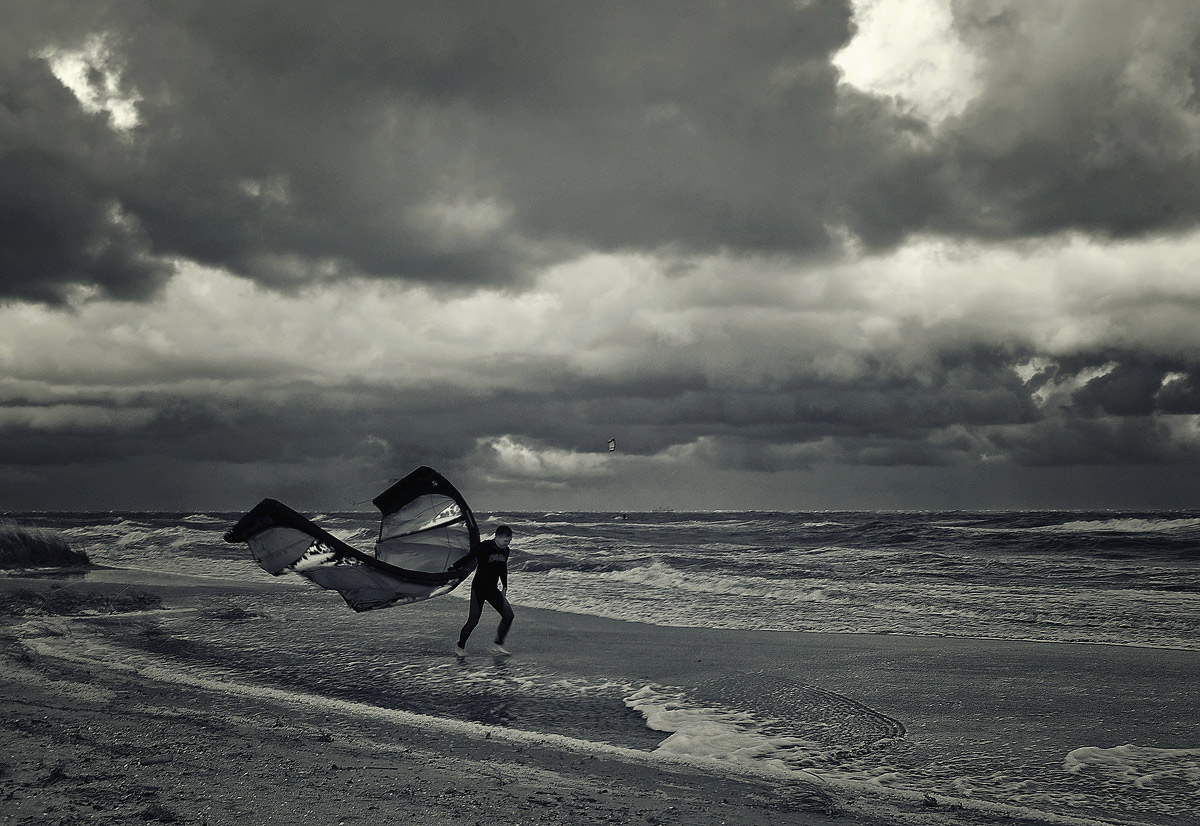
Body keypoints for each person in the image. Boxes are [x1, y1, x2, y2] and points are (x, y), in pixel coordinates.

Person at [456, 525, 515, 656]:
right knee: (473, 621)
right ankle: (460, 646)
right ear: (497, 537)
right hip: (479, 588)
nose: (507, 544)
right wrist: (453, 567)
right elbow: (469, 557)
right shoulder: (484, 546)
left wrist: (505, 586)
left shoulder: (506, 551)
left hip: (492, 589)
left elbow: (502, 568)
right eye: (506, 541)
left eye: (509, 541)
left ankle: (497, 644)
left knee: (509, 615)